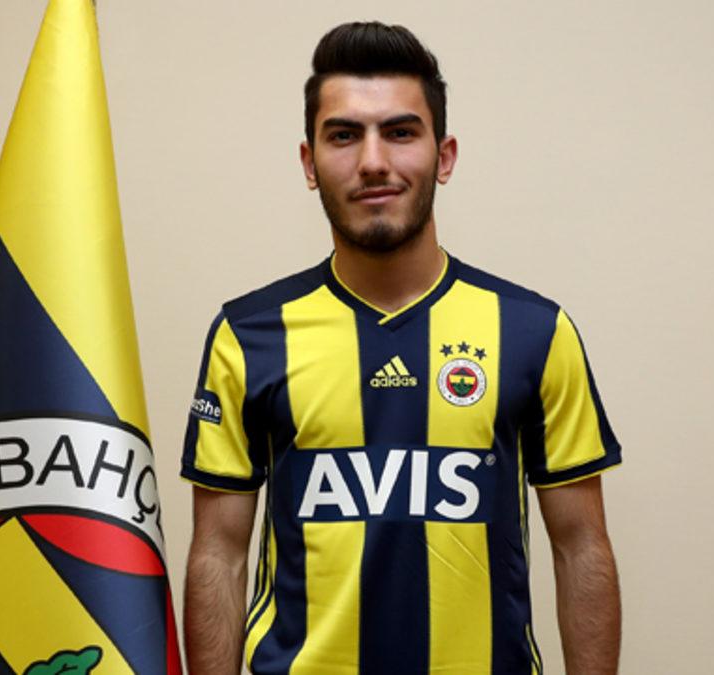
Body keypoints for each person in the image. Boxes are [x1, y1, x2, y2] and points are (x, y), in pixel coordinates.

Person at [181, 21, 622, 675]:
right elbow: (218, 554)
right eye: (343, 135)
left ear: (444, 156)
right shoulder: (247, 336)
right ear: (309, 163)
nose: (372, 161)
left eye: (400, 132)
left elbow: (580, 546)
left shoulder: (534, 331)